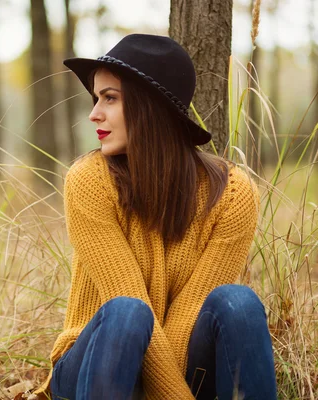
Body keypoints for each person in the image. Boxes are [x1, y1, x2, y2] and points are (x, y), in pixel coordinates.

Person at [32, 34, 277, 400]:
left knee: (237, 303)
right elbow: (128, 300)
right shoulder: (88, 181)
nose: (94, 113)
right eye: (96, 98)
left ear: (151, 106)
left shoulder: (233, 193)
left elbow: (193, 308)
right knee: (128, 311)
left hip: (182, 361)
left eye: (109, 98)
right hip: (95, 363)